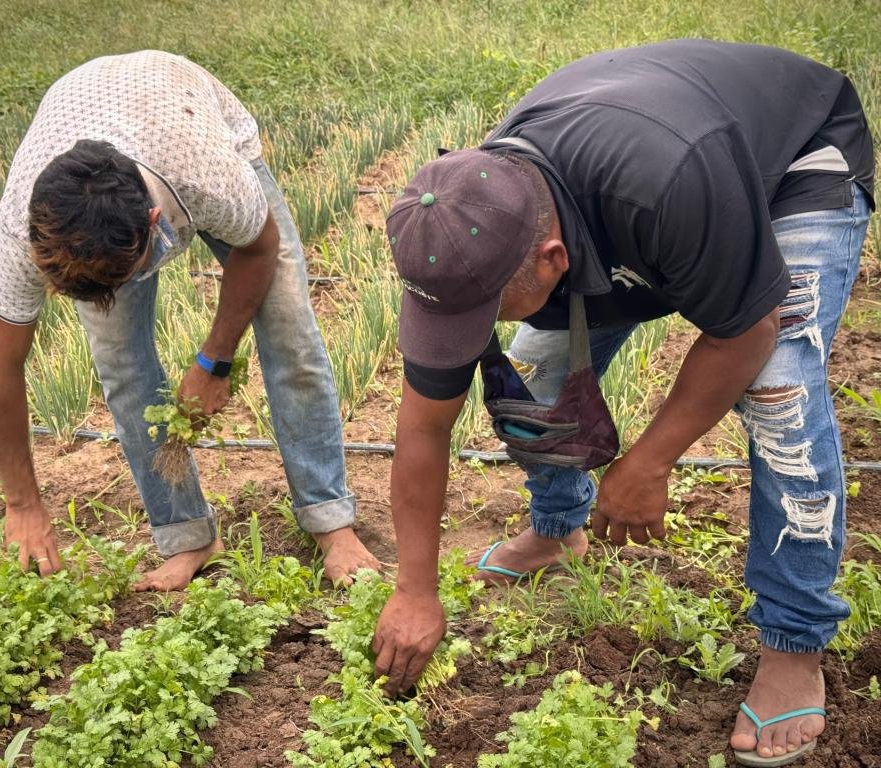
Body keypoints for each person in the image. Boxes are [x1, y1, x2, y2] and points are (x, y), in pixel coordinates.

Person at [371, 39, 873, 766]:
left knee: (778, 390)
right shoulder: (467, 217)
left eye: (486, 308)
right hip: (647, 211)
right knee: (534, 367)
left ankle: (793, 643)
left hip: (788, 162)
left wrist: (649, 460)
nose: (472, 330)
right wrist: (415, 588)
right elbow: (422, 426)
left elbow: (748, 330)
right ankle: (557, 529)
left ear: (553, 261)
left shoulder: (663, 182)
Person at [0, 50, 379, 592]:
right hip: (82, 112)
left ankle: (331, 521)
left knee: (291, 331)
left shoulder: (210, 178)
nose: (109, 298)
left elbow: (259, 250)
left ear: (153, 223)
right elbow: (0, 365)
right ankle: (187, 535)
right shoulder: (26, 230)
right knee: (121, 367)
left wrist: (214, 360)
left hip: (183, 110)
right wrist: (22, 503)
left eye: (121, 278)